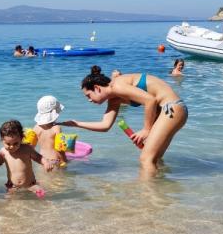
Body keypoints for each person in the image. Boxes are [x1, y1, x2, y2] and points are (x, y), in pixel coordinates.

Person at [60, 65, 188, 177]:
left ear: (97, 88)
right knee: (155, 158)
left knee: (145, 159)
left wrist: (146, 130)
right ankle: (160, 188)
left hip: (171, 108)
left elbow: (150, 100)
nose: (89, 100)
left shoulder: (117, 85)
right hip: (172, 111)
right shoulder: (114, 99)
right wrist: (76, 124)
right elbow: (105, 125)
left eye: (88, 95)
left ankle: (147, 193)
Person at [0, 119, 54, 197]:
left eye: (15, 143)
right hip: (13, 185)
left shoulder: (27, 149)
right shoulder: (3, 152)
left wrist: (45, 162)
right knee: (8, 199)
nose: (12, 146)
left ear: (21, 138)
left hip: (30, 184)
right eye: (8, 144)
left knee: (43, 195)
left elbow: (38, 157)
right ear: (2, 140)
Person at [33, 95, 67, 168]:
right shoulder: (56, 128)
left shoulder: (36, 127)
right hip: (55, 160)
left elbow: (31, 147)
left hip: (42, 160)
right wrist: (64, 160)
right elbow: (60, 148)